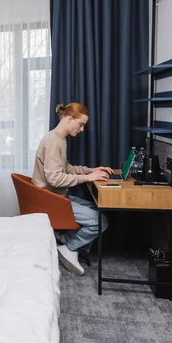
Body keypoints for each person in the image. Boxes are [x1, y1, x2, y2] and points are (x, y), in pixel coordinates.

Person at [32, 102, 112, 276]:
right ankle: (68, 247)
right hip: (49, 200)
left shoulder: (59, 139)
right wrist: (87, 178)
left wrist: (91, 170)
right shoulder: (53, 142)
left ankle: (65, 241)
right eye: (81, 124)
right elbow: (55, 178)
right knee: (101, 221)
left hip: (54, 196)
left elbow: (66, 169)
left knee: (95, 208)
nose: (82, 129)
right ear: (69, 119)